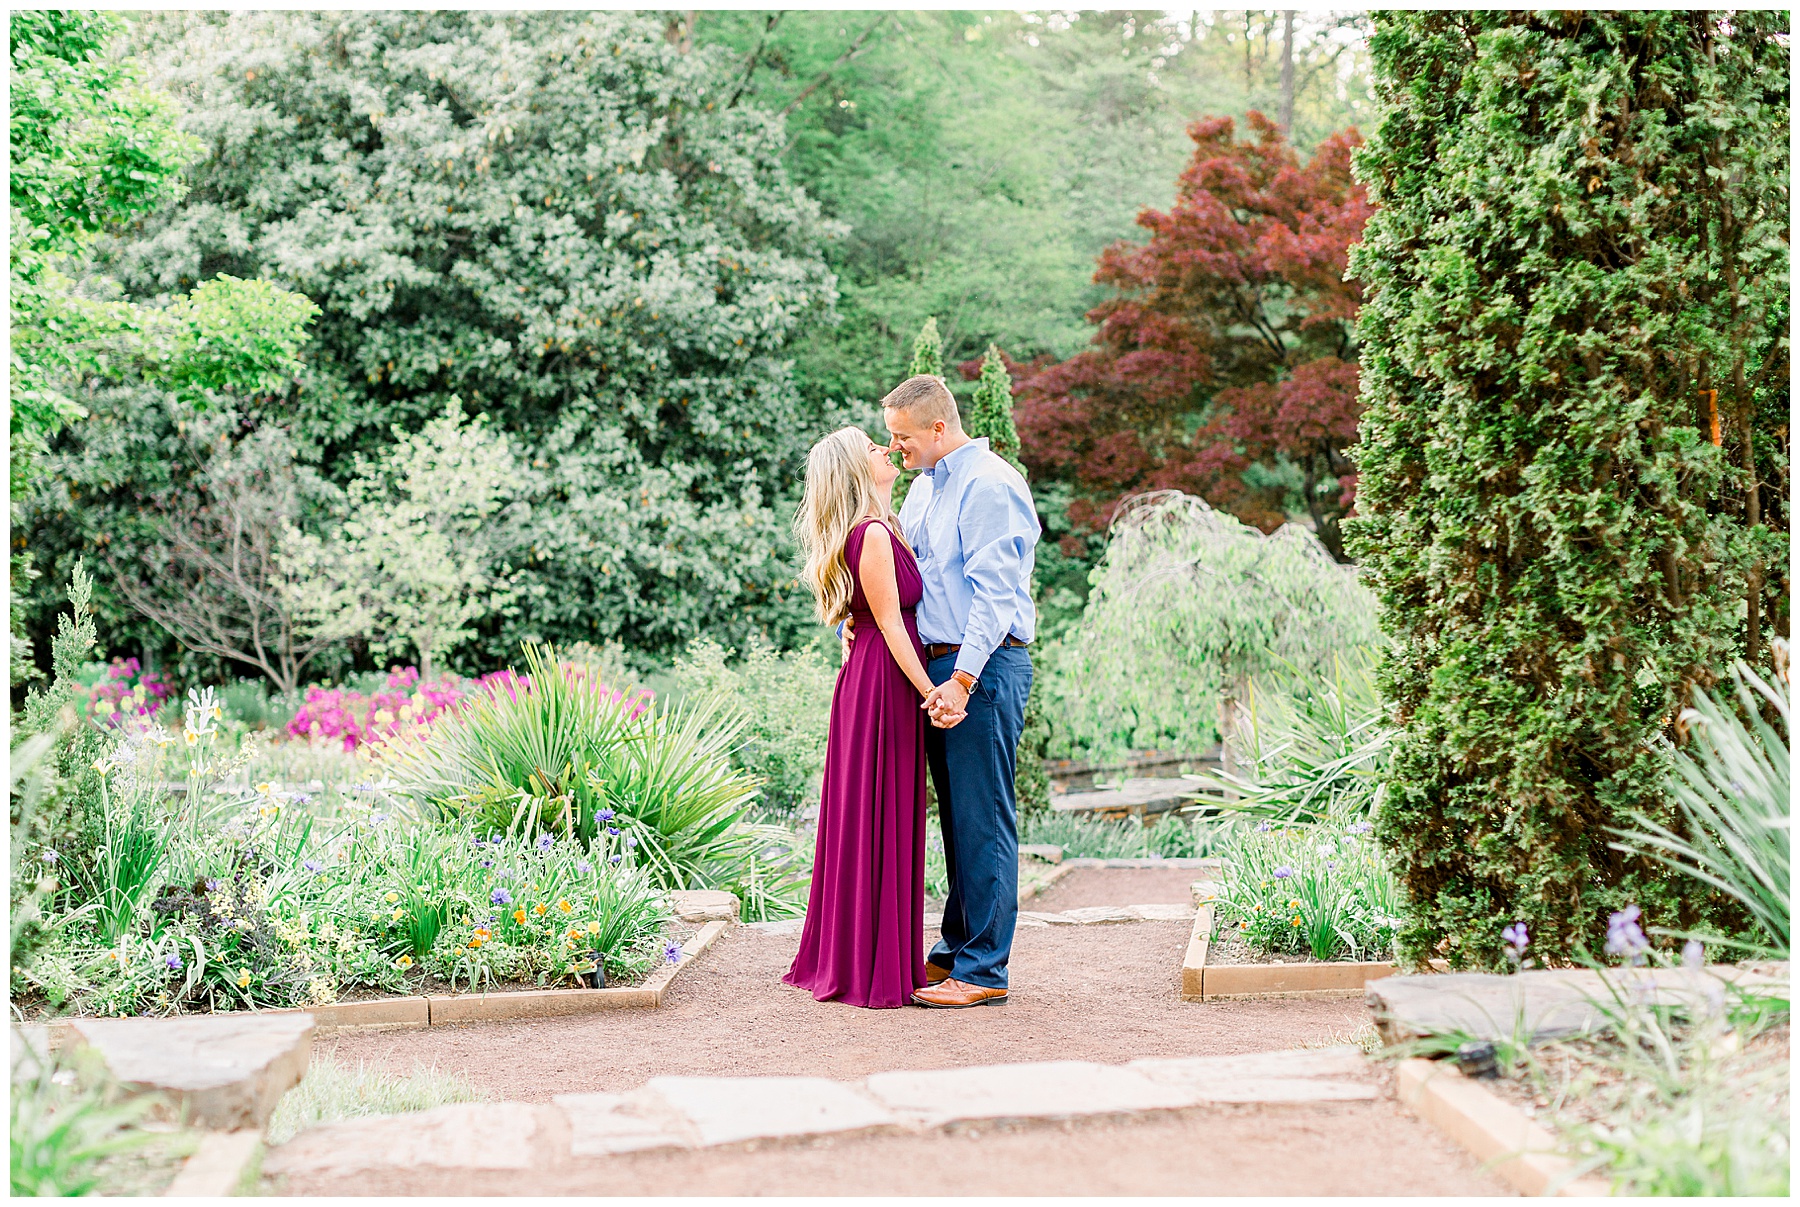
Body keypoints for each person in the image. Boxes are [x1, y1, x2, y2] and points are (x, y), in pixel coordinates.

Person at [849, 374, 1039, 1008]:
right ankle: (956, 952)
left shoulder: (990, 485)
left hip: (979, 668)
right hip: (937, 667)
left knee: (983, 819)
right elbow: (913, 579)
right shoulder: (927, 489)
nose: (895, 447)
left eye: (902, 436)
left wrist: (961, 679)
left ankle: (984, 972)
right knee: (960, 822)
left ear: (937, 427)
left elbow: (996, 593)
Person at [782, 426, 944, 1008]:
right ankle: (869, 963)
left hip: (875, 678)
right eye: (872, 448)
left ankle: (869, 952)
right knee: (878, 812)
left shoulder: (880, 527)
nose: (885, 450)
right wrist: (933, 691)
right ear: (856, 469)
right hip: (884, 685)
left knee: (878, 813)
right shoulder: (872, 533)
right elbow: (893, 625)